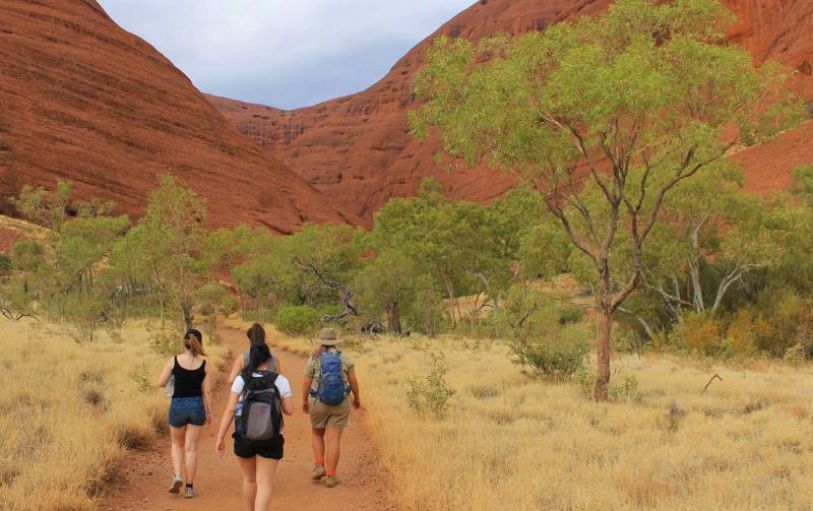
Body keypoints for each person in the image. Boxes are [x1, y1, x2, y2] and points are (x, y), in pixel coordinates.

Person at [216, 343, 294, 511]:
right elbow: (289, 411)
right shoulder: (280, 380)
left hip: (244, 436)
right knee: (264, 482)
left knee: (249, 480)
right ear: (270, 359)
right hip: (271, 436)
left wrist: (220, 437)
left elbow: (230, 410)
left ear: (250, 359)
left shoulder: (241, 380)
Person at [156, 328, 212, 499]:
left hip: (178, 405)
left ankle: (178, 475)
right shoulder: (205, 364)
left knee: (176, 444)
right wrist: (209, 412)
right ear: (199, 343)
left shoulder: (173, 361)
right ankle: (189, 488)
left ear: (184, 342)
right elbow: (207, 391)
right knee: (191, 449)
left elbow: (160, 382)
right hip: (196, 406)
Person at [302, 328, 361, 488]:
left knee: (317, 433)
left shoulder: (314, 358)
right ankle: (330, 476)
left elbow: (306, 383)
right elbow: (354, 382)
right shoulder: (345, 358)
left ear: (321, 342)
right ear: (335, 342)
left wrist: (304, 401)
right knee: (334, 439)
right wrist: (357, 399)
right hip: (341, 403)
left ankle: (319, 465)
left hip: (318, 402)